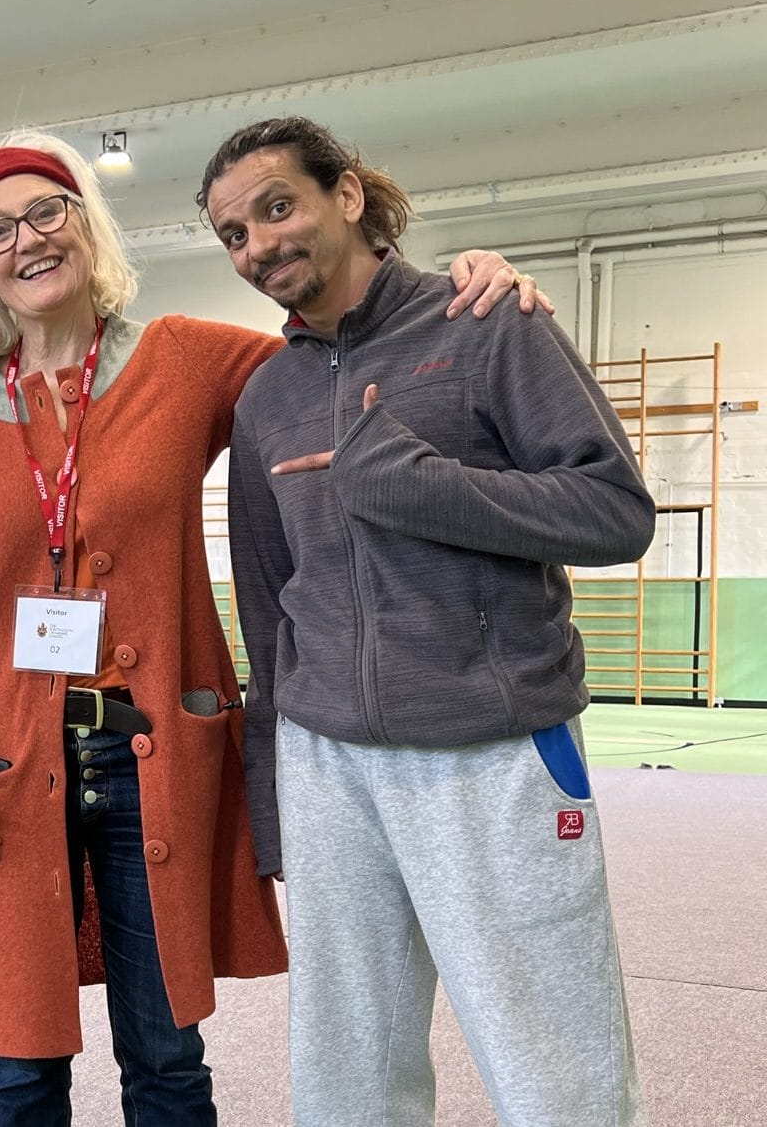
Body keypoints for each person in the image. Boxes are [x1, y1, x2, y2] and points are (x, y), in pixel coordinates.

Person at [0, 131, 543, 1126]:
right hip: (4, 768)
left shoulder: (184, 360)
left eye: (47, 211)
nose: (27, 240)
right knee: (18, 1068)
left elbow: (343, 351)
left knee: (165, 1055)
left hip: (151, 758)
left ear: (86, 225)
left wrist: (452, 285)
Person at [201, 115, 651, 1126]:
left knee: (555, 1069)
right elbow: (269, 614)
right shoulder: (266, 396)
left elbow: (615, 511)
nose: (259, 244)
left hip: (491, 750)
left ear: (347, 195)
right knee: (347, 1074)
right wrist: (273, 798)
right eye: (234, 233)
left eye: (277, 206)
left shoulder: (487, 323)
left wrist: (424, 486)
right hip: (325, 767)